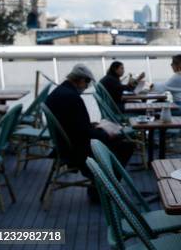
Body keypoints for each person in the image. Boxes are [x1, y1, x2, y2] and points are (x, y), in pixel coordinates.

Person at [44, 64, 134, 201]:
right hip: (75, 150)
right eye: (87, 82)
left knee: (115, 140)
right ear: (80, 80)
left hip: (63, 144)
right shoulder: (73, 98)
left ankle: (100, 185)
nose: (87, 86)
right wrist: (106, 132)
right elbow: (83, 134)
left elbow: (75, 125)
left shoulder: (59, 92)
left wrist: (95, 127)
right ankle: (103, 190)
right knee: (126, 146)